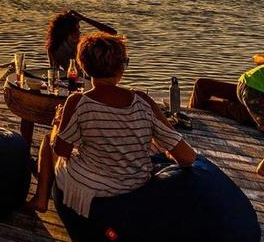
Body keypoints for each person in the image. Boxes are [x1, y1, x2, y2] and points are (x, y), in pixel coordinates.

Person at [27, 33, 196, 214]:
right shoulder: (142, 101)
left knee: (47, 140)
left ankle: (41, 198)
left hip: (90, 191)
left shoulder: (78, 102)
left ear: (83, 66)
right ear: (121, 69)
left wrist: (59, 123)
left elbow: (61, 150)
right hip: (135, 187)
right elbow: (187, 157)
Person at [189, 55, 264, 175]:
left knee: (202, 85)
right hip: (254, 90)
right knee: (249, 117)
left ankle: (199, 110)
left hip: (245, 83)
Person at [46, 9, 118, 70]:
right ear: (66, 32)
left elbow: (112, 33)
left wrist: (84, 18)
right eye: (76, 30)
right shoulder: (53, 49)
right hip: (71, 82)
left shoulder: (84, 45)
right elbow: (54, 73)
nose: (79, 32)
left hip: (92, 82)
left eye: (78, 29)